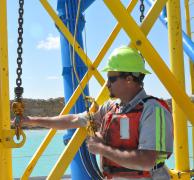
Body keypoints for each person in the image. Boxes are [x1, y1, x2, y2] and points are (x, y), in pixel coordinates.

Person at [21, 46, 173, 180]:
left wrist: (102, 150)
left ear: (129, 79)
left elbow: (147, 161)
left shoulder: (153, 110)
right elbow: (75, 119)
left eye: (111, 78)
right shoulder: (111, 108)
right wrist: (31, 120)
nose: (107, 84)